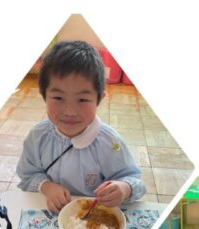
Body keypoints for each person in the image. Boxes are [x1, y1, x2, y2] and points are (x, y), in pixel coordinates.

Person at [17, 40, 145, 213]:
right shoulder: (38, 136)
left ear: (99, 99)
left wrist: (124, 188)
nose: (70, 112)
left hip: (95, 216)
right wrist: (46, 186)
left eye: (83, 100)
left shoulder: (110, 142)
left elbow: (134, 179)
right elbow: (27, 174)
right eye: (58, 98)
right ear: (44, 95)